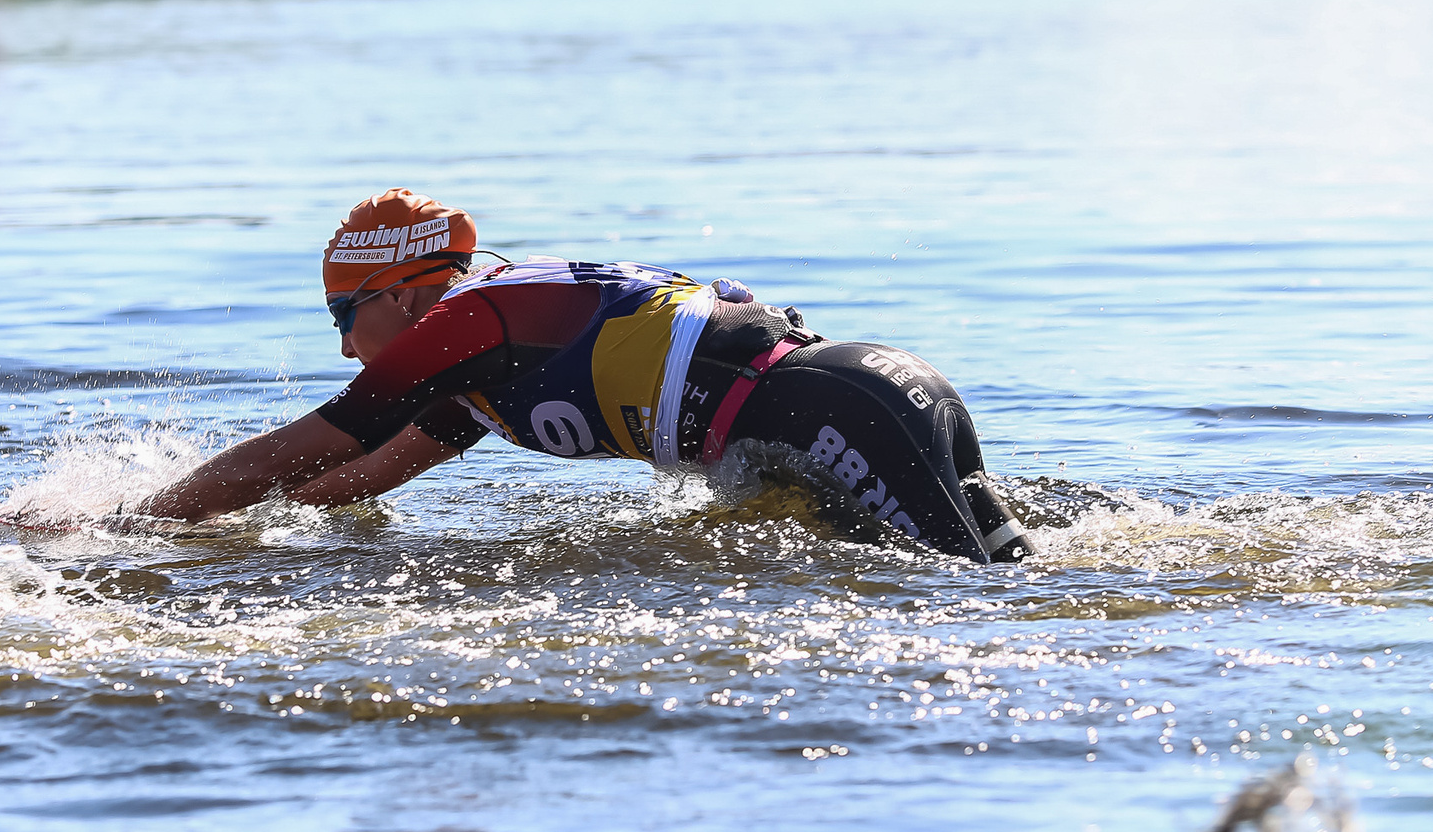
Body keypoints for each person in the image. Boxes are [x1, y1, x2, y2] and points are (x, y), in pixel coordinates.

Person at [124, 189, 1041, 562]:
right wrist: (218, 529)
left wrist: (128, 519)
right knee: (1006, 576)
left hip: (838, 408)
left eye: (341, 316)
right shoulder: (480, 372)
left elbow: (309, 442)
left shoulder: (469, 320)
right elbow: (349, 476)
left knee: (983, 610)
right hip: (871, 394)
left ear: (399, 293)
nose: (344, 348)